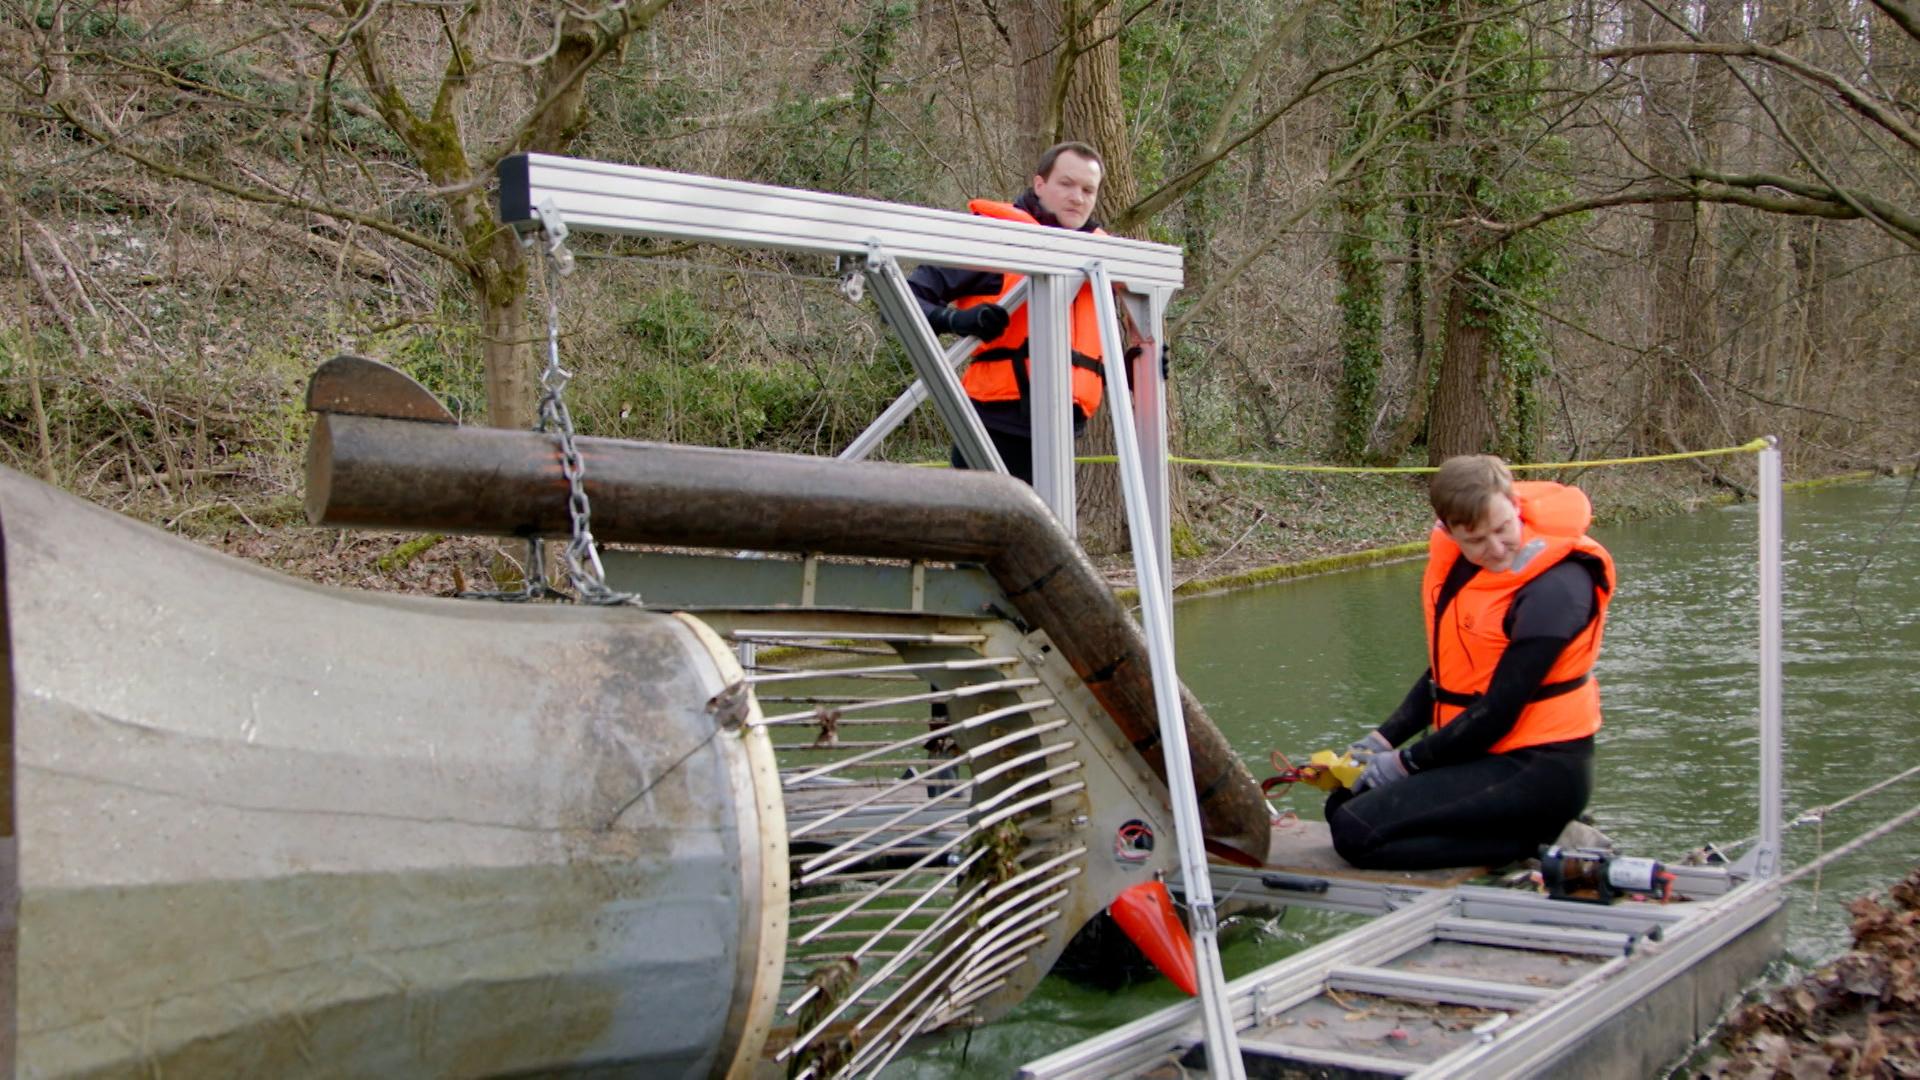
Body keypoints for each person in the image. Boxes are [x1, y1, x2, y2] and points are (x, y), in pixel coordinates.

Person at [1324, 454, 1616, 871]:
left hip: (1543, 767)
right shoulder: (1466, 569)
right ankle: (1512, 833)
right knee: (1342, 804)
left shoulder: (1559, 587)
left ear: (1515, 504)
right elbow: (1447, 677)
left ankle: (1543, 839)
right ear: (1449, 531)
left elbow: (1498, 710)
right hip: (1483, 756)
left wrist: (1406, 763)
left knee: (1356, 832)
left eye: (1503, 529)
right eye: (1476, 540)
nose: (1496, 549)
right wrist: (1381, 741)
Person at [909, 141, 1112, 484]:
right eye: (1066, 184)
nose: (1077, 197)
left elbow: (1085, 343)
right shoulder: (995, 239)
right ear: (1039, 185)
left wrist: (1139, 365)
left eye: (1087, 189)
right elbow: (908, 297)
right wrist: (956, 321)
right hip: (994, 427)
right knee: (975, 534)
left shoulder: (1097, 260)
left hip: (1062, 430)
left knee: (1040, 536)